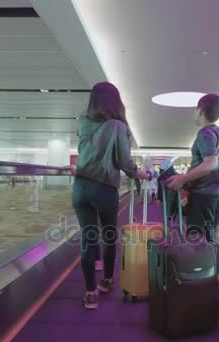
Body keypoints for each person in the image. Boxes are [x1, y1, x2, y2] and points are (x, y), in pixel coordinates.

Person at [73, 82, 148, 310]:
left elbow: (83, 154)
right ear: (115, 101)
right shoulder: (117, 126)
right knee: (108, 235)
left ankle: (90, 292)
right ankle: (106, 280)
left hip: (81, 187)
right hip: (104, 187)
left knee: (88, 237)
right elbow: (123, 161)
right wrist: (138, 173)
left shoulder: (83, 122)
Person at [167, 94, 219, 243]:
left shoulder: (205, 133)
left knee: (197, 240)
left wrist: (183, 178)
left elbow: (211, 163)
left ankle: (202, 266)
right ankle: (210, 264)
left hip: (203, 194)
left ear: (200, 111)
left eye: (195, 110)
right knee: (209, 236)